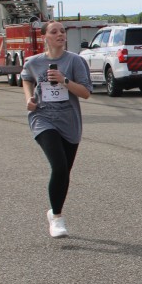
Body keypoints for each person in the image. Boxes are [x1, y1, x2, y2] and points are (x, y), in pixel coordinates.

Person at [21, 21, 93, 238]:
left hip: (69, 121)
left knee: (64, 172)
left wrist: (64, 80)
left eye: (62, 31)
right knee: (59, 166)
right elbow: (26, 78)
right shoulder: (34, 62)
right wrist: (29, 99)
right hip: (43, 118)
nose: (60, 34)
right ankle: (58, 218)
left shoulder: (75, 61)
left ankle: (53, 211)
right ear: (45, 36)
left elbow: (85, 93)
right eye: (54, 32)